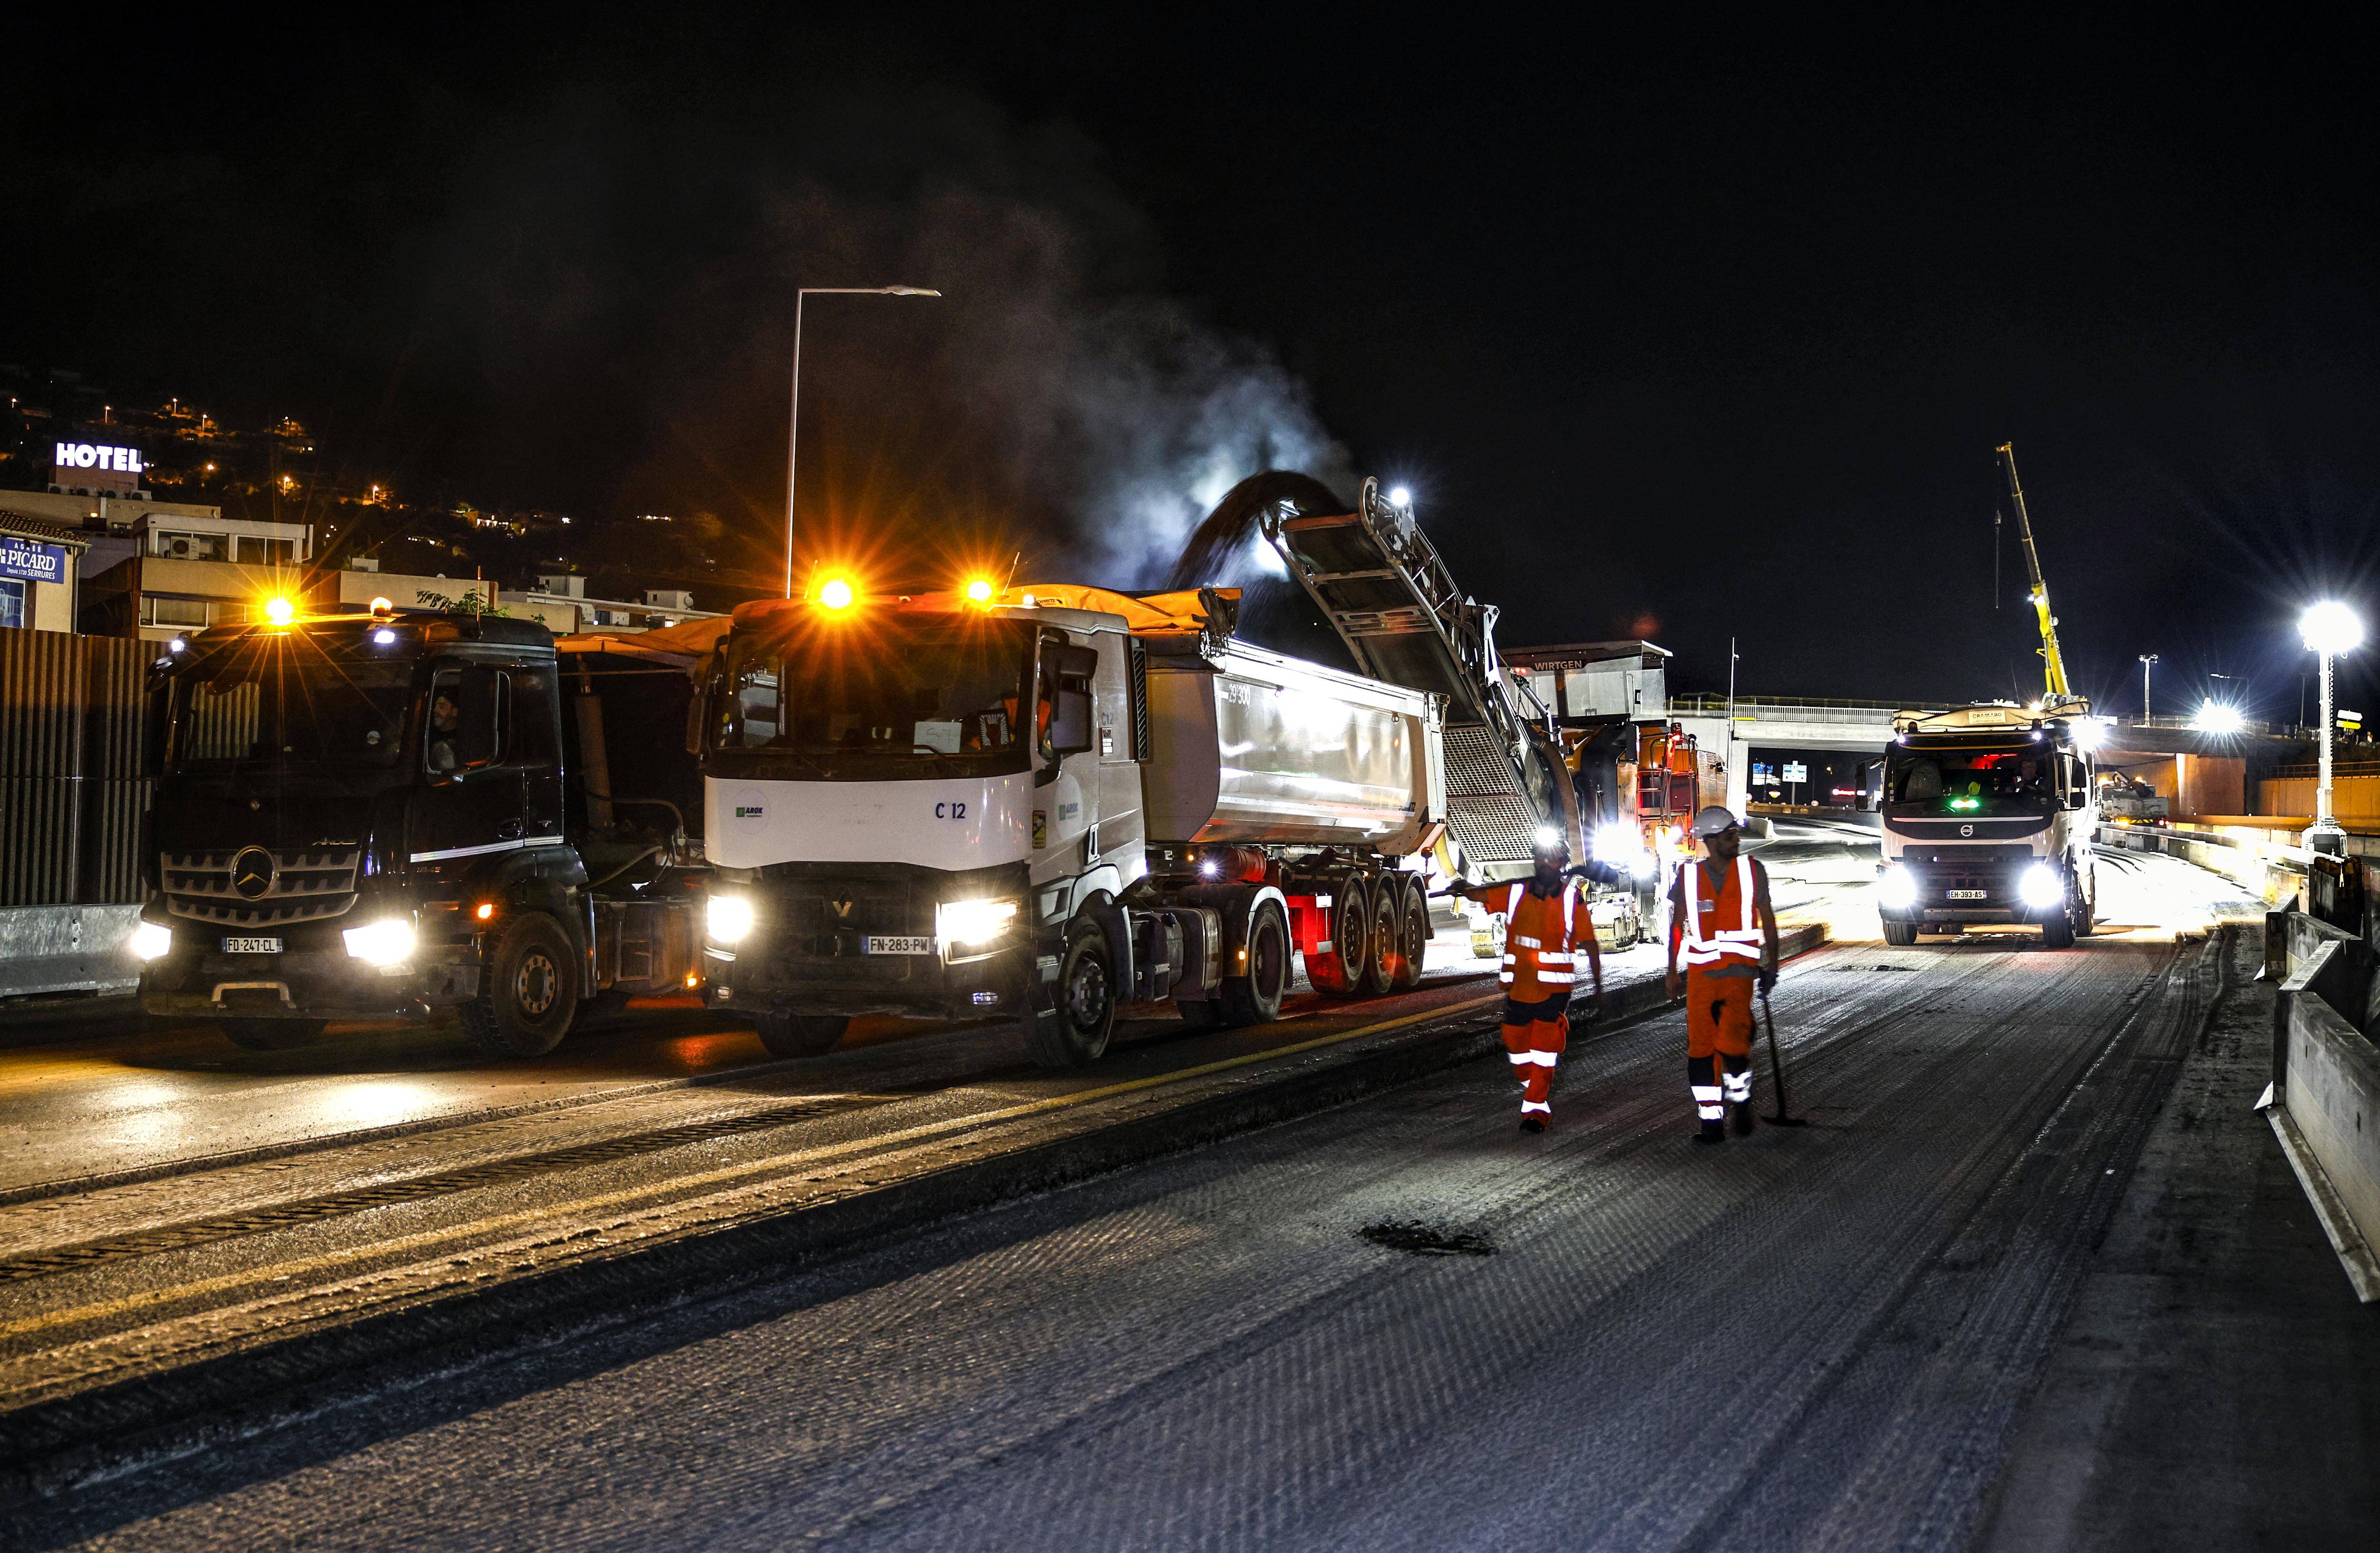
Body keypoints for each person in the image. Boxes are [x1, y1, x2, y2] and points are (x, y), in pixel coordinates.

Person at [1444, 829, 1604, 1133]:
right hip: (1519, 988)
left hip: (1554, 991)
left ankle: (1535, 1111)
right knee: (1516, 1045)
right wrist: (1464, 888)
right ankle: (1534, 1083)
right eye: (1540, 858)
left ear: (1561, 864)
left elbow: (1590, 944)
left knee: (1545, 1049)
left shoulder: (1573, 899)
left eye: (1552, 859)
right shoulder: (1516, 892)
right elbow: (1483, 894)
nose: (1545, 863)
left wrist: (1598, 986)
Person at [1664, 806, 1781, 1143]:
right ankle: (1711, 1122)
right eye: (1731, 835)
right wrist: (1671, 971)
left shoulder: (1752, 870)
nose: (1738, 840)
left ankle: (1740, 1099)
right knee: (1700, 1051)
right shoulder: (1687, 877)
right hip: (1701, 976)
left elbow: (1768, 919)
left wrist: (1772, 965)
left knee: (1731, 1043)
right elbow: (1677, 927)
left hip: (1739, 975)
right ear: (1712, 841)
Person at [426, 691, 463, 773]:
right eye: (436, 707)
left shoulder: (461, 739)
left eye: (442, 707)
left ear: (455, 712)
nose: (435, 711)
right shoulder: (430, 735)